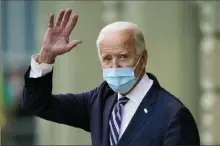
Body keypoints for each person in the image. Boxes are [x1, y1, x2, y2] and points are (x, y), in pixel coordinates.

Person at [21, 8, 200, 146]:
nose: (114, 67)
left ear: (143, 59)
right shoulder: (101, 100)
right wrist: (46, 57)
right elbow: (37, 104)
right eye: (107, 59)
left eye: (123, 57)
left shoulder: (173, 115)